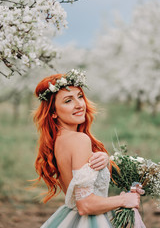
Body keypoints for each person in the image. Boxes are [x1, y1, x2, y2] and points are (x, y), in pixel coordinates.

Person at [33, 69, 140, 228]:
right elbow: (85, 205)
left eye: (80, 96)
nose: (79, 104)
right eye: (68, 101)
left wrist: (105, 161)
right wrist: (124, 200)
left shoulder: (59, 141)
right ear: (53, 112)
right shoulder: (80, 140)